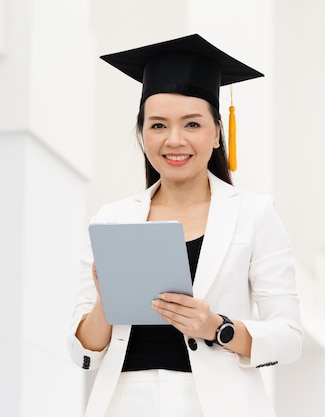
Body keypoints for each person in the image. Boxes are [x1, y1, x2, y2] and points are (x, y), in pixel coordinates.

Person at [68, 34, 303, 417]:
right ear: (142, 134)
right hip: (125, 403)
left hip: (215, 404)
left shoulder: (254, 214)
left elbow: (289, 337)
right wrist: (105, 301)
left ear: (216, 134)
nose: (174, 140)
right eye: (158, 126)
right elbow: (84, 354)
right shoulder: (111, 219)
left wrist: (217, 327)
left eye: (191, 124)